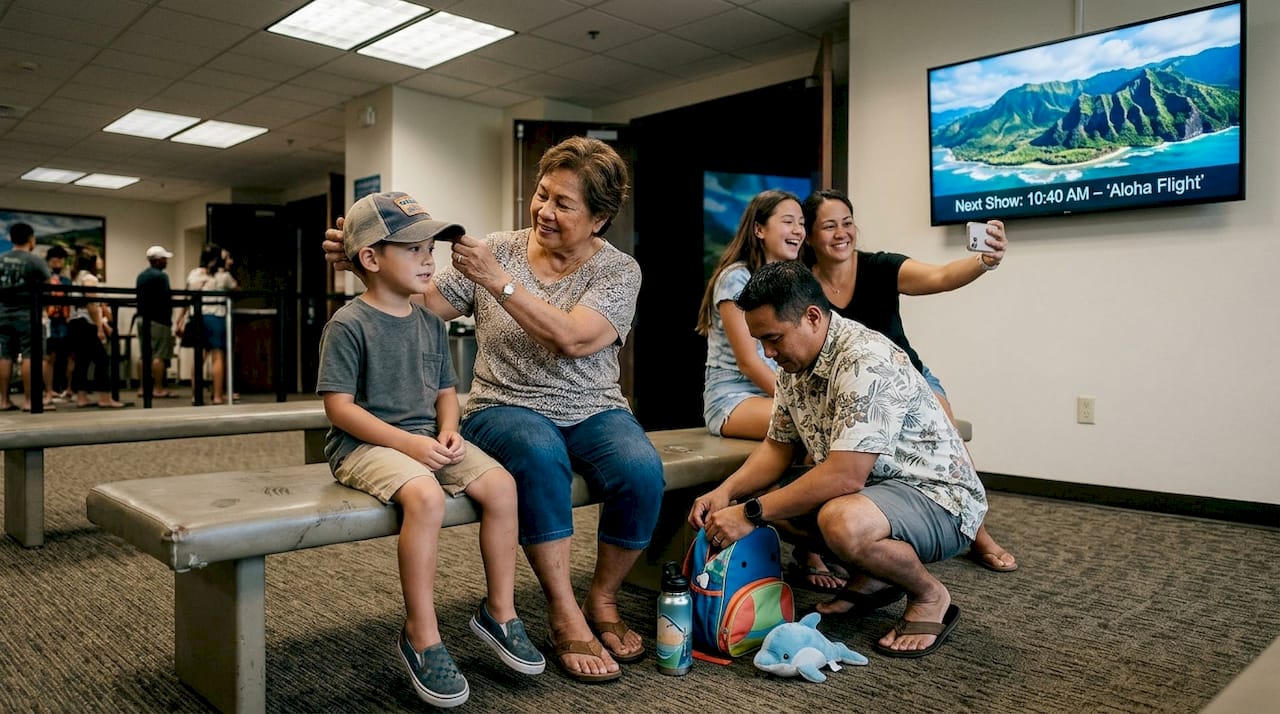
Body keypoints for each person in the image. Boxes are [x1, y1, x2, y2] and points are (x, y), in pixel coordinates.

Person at [324, 136, 664, 683]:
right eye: (541, 194)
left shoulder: (619, 272)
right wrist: (369, 266)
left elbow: (576, 339)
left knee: (642, 472)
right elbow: (424, 304)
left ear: (599, 219)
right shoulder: (499, 248)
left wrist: (499, 284)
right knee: (538, 455)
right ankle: (563, 609)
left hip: (592, 405)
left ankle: (602, 597)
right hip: (504, 404)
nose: (544, 211)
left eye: (563, 204)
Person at [688, 260, 986, 657]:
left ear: (812, 316)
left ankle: (930, 594)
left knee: (839, 521)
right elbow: (778, 447)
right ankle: (875, 576)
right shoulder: (795, 364)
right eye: (761, 341)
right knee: (779, 502)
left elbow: (845, 477)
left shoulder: (865, 359)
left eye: (774, 338)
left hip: (940, 499)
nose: (768, 353)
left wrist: (749, 514)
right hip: (878, 491)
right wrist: (726, 493)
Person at [317, 192, 544, 708]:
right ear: (371, 260)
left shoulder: (427, 320)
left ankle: (500, 612)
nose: (430, 260)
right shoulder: (349, 323)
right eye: (415, 249)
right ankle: (421, 634)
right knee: (426, 498)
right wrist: (408, 445)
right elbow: (339, 409)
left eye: (431, 249)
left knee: (502, 487)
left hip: (425, 438)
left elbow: (446, 391)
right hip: (364, 444)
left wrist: (447, 429)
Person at [801, 189, 1018, 578]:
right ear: (811, 235)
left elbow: (939, 276)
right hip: (844, 390)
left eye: (847, 223)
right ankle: (818, 548)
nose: (841, 233)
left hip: (907, 380)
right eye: (829, 225)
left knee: (949, 436)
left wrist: (983, 261)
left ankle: (977, 532)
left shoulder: (880, 267)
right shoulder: (804, 286)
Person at [694, 189, 846, 593]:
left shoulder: (796, 281)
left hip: (773, 392)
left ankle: (806, 532)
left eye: (801, 222)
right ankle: (809, 549)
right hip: (732, 396)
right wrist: (798, 402)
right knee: (807, 428)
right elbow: (751, 361)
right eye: (788, 221)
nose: (799, 230)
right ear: (759, 229)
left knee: (819, 426)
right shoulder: (736, 279)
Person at [175, 244, 238, 404]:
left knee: (199, 357)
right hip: (215, 317)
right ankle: (217, 396)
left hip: (196, 317)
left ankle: (196, 395)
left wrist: (179, 319)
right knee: (217, 357)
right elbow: (236, 289)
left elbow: (187, 297)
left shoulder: (194, 274)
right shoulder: (223, 276)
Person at [0, 222, 52, 411]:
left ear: (11, 239)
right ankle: (30, 401)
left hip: (3, 315)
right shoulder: (34, 260)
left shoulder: (1, 259)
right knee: (30, 355)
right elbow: (49, 288)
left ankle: (3, 400)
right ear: (31, 239)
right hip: (27, 315)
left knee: (5, 356)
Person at [66, 246, 126, 409]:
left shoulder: (78, 276)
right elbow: (92, 305)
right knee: (101, 359)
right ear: (92, 261)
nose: (101, 261)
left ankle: (82, 397)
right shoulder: (90, 279)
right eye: (99, 258)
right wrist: (100, 327)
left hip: (75, 322)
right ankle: (105, 397)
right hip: (86, 323)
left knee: (82, 360)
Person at [135, 245, 177, 398]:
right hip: (159, 319)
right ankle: (158, 388)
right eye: (164, 259)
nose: (166, 262)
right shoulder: (161, 277)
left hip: (141, 318)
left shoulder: (141, 276)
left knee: (144, 355)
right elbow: (167, 298)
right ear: (158, 260)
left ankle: (141, 388)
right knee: (159, 355)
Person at [42, 245, 73, 404]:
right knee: (49, 357)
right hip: (49, 321)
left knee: (68, 357)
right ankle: (48, 391)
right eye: (54, 261)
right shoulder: (44, 278)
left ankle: (67, 390)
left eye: (60, 260)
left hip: (65, 322)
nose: (57, 263)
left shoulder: (67, 281)